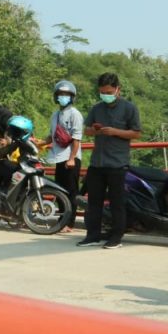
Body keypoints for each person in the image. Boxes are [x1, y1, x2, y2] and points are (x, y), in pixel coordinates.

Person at [78, 72, 141, 249]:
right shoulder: (97, 108)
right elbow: (87, 130)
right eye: (102, 92)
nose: (105, 95)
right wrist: (96, 130)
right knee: (94, 202)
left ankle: (116, 237)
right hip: (97, 162)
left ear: (117, 90)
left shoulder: (129, 108)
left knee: (117, 203)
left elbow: (136, 133)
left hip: (118, 163)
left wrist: (115, 132)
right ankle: (92, 235)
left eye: (108, 91)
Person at [46, 80, 83, 233]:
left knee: (71, 191)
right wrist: (41, 142)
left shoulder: (75, 114)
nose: (63, 97)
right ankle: (62, 220)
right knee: (60, 190)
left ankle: (70, 223)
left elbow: (76, 138)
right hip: (58, 158)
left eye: (66, 94)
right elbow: (53, 136)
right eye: (60, 94)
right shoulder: (55, 115)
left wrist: (72, 158)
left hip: (70, 158)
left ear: (72, 97)